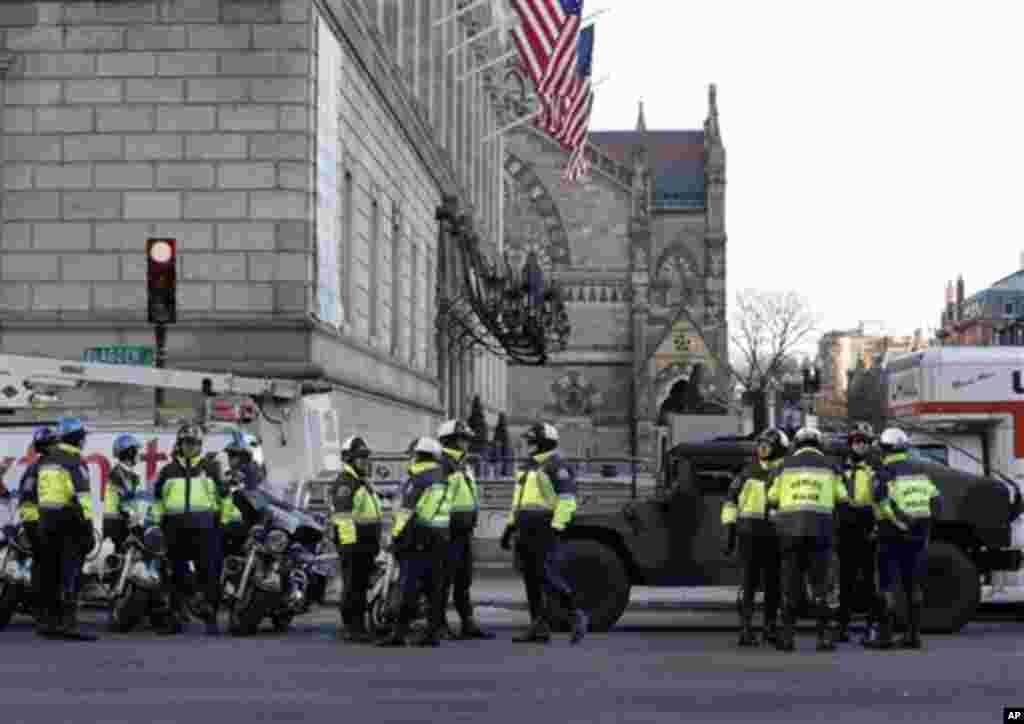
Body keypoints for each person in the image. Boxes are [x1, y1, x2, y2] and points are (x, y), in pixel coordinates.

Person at [501, 422, 587, 645]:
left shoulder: (557, 466)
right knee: (531, 579)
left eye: (532, 442)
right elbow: (517, 499)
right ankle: (538, 628)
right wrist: (510, 527)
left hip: (544, 527)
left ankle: (576, 613)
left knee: (548, 576)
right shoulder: (527, 467)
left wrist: (557, 527)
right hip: (524, 526)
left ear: (543, 443)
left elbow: (567, 500)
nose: (528, 445)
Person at [767, 426, 849, 652]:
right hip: (821, 533)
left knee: (790, 584)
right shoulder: (830, 466)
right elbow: (843, 497)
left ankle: (787, 637)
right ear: (819, 444)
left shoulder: (785, 466)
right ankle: (823, 637)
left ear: (797, 444)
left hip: (791, 534)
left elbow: (772, 497)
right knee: (821, 585)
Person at [865, 427, 942, 650]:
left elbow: (881, 503)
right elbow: (936, 501)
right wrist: (924, 525)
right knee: (913, 585)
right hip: (918, 535)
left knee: (886, 584)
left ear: (884, 449)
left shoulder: (884, 473)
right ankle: (913, 636)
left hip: (892, 535)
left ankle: (885, 636)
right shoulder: (920, 472)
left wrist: (900, 521)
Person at [153, 423, 227, 636]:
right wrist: (155, 523)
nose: (190, 447)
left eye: (194, 443)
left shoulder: (211, 468)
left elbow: (224, 497)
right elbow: (158, 501)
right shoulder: (167, 471)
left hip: (205, 528)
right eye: (186, 442)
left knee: (209, 573)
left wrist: (228, 520)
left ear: (200, 445)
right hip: (174, 528)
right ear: (180, 444)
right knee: (176, 574)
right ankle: (175, 618)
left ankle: (211, 619)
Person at [377, 436, 450, 648]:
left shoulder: (418, 480)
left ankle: (399, 633)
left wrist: (395, 538)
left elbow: (406, 514)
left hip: (417, 539)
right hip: (439, 538)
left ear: (418, 455)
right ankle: (432, 633)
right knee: (433, 588)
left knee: (409, 587)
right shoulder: (441, 477)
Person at [722, 427, 788, 647]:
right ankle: (746, 629)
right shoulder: (747, 472)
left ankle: (770, 627)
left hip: (775, 534)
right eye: (760, 444)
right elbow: (731, 500)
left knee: (774, 584)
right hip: (749, 534)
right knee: (748, 583)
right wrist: (729, 530)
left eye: (767, 445)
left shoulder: (785, 473)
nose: (762, 448)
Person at [35, 416, 97, 640]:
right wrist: (88, 525)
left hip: (46, 521)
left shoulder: (46, 459)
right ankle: (69, 624)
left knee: (51, 572)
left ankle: (49, 623)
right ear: (77, 438)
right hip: (69, 522)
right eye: (82, 437)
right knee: (71, 572)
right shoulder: (73, 459)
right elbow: (82, 496)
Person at [437, 419, 494, 640]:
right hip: (447, 531)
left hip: (463, 531)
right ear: (451, 440)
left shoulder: (463, 464)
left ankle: (467, 624)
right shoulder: (443, 464)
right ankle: (438, 624)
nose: (467, 443)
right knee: (443, 580)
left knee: (463, 580)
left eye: (467, 439)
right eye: (463, 439)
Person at [3, 427, 58, 630]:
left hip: (33, 523)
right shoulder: (45, 469)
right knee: (47, 566)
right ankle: (48, 611)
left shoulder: (34, 468)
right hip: (42, 524)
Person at [329, 435, 382, 643]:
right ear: (349, 459)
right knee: (353, 587)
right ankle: (352, 627)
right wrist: (349, 546)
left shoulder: (361, 481)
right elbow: (343, 518)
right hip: (354, 545)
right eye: (360, 457)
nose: (365, 461)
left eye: (366, 457)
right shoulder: (346, 483)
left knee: (359, 587)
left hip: (366, 544)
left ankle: (357, 625)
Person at [836, 423, 881, 644]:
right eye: (856, 442)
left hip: (867, 525)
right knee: (846, 579)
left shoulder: (874, 468)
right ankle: (842, 625)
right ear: (850, 444)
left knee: (870, 580)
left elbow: (879, 498)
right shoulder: (840, 468)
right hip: (846, 527)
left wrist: (875, 526)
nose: (860, 446)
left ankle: (871, 625)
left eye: (863, 442)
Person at [104, 434, 144, 550]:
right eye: (136, 451)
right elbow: (125, 500)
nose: (138, 454)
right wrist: (137, 525)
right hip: (117, 523)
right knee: (122, 560)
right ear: (129, 453)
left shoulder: (130, 475)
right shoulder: (118, 474)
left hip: (122, 521)